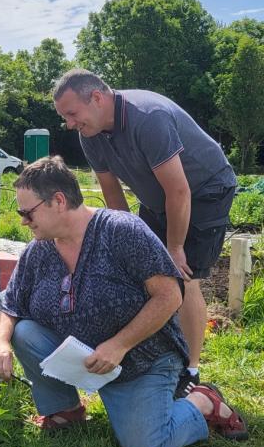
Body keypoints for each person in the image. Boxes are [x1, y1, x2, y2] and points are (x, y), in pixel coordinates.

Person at [0, 157, 247, 447]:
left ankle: (202, 402)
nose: (22, 222)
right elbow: (12, 304)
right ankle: (64, 411)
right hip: (87, 358)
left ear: (58, 201)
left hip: (142, 359)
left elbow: (170, 297)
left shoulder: (121, 231)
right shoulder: (39, 249)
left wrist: (119, 345)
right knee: (24, 332)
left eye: (27, 213)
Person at [52, 69, 237, 398]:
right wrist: (123, 244)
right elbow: (113, 196)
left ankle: (190, 371)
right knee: (144, 274)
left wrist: (176, 248)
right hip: (158, 199)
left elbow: (179, 191)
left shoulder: (147, 118)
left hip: (204, 190)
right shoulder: (90, 134)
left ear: (96, 98)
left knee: (182, 277)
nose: (68, 123)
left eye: (71, 114)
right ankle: (159, 352)